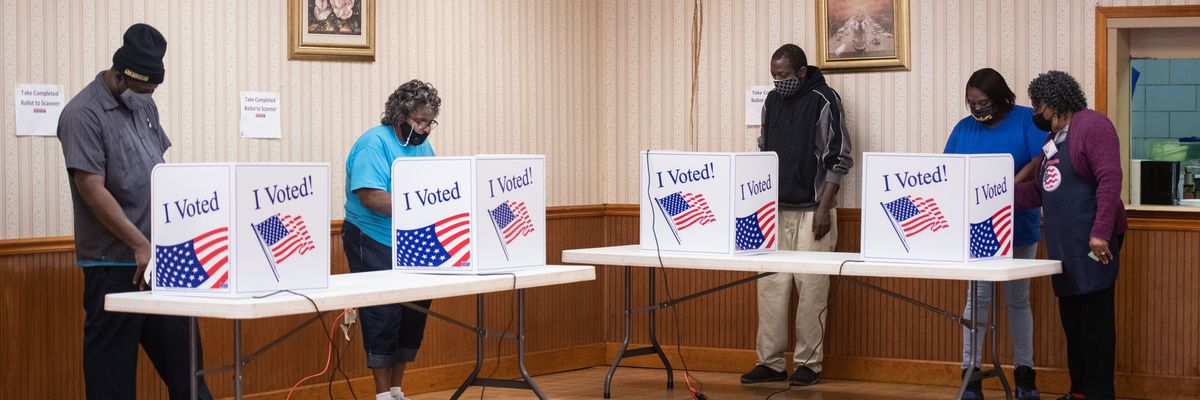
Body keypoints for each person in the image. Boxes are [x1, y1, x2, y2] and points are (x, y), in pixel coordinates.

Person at [57, 23, 213, 399]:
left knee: (190, 374)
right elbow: (91, 189)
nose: (148, 95)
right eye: (143, 88)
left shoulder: (144, 104)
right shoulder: (83, 113)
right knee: (112, 382)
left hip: (163, 260)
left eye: (153, 89)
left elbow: (156, 168)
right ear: (120, 75)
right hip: (113, 266)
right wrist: (139, 244)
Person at [741, 43, 853, 387]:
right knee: (770, 288)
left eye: (784, 75)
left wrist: (824, 208)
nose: (778, 81)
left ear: (801, 72)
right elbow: (764, 149)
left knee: (812, 289)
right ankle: (771, 362)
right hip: (774, 210)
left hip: (812, 212)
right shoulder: (772, 101)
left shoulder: (824, 100)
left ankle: (809, 363)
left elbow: (840, 156)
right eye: (774, 75)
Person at [1016, 71, 1127, 400]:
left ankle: (1098, 394)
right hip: (1065, 246)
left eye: (1037, 105)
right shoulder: (1052, 143)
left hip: (1095, 243)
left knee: (1095, 324)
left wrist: (1100, 234)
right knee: (1074, 323)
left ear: (1052, 103)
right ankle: (1078, 392)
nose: (1035, 112)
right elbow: (1040, 191)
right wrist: (996, 195)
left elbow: (1110, 179)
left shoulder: (1094, 126)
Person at [944, 68, 1044, 400]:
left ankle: (1025, 374)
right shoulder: (964, 128)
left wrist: (1005, 187)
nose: (977, 109)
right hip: (977, 227)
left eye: (983, 102)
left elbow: (1038, 160)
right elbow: (949, 172)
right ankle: (970, 373)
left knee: (1018, 300)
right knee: (978, 299)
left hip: (1019, 224)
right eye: (971, 103)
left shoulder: (1026, 120)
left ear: (1001, 98)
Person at [343, 79, 441, 400]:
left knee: (413, 314)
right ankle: (382, 394)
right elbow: (371, 197)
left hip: (412, 239)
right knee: (383, 314)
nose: (425, 128)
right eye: (420, 121)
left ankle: (398, 391)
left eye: (430, 122)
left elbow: (436, 190)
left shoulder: (421, 147)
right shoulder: (375, 144)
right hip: (371, 237)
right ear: (400, 115)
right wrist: (419, 204)